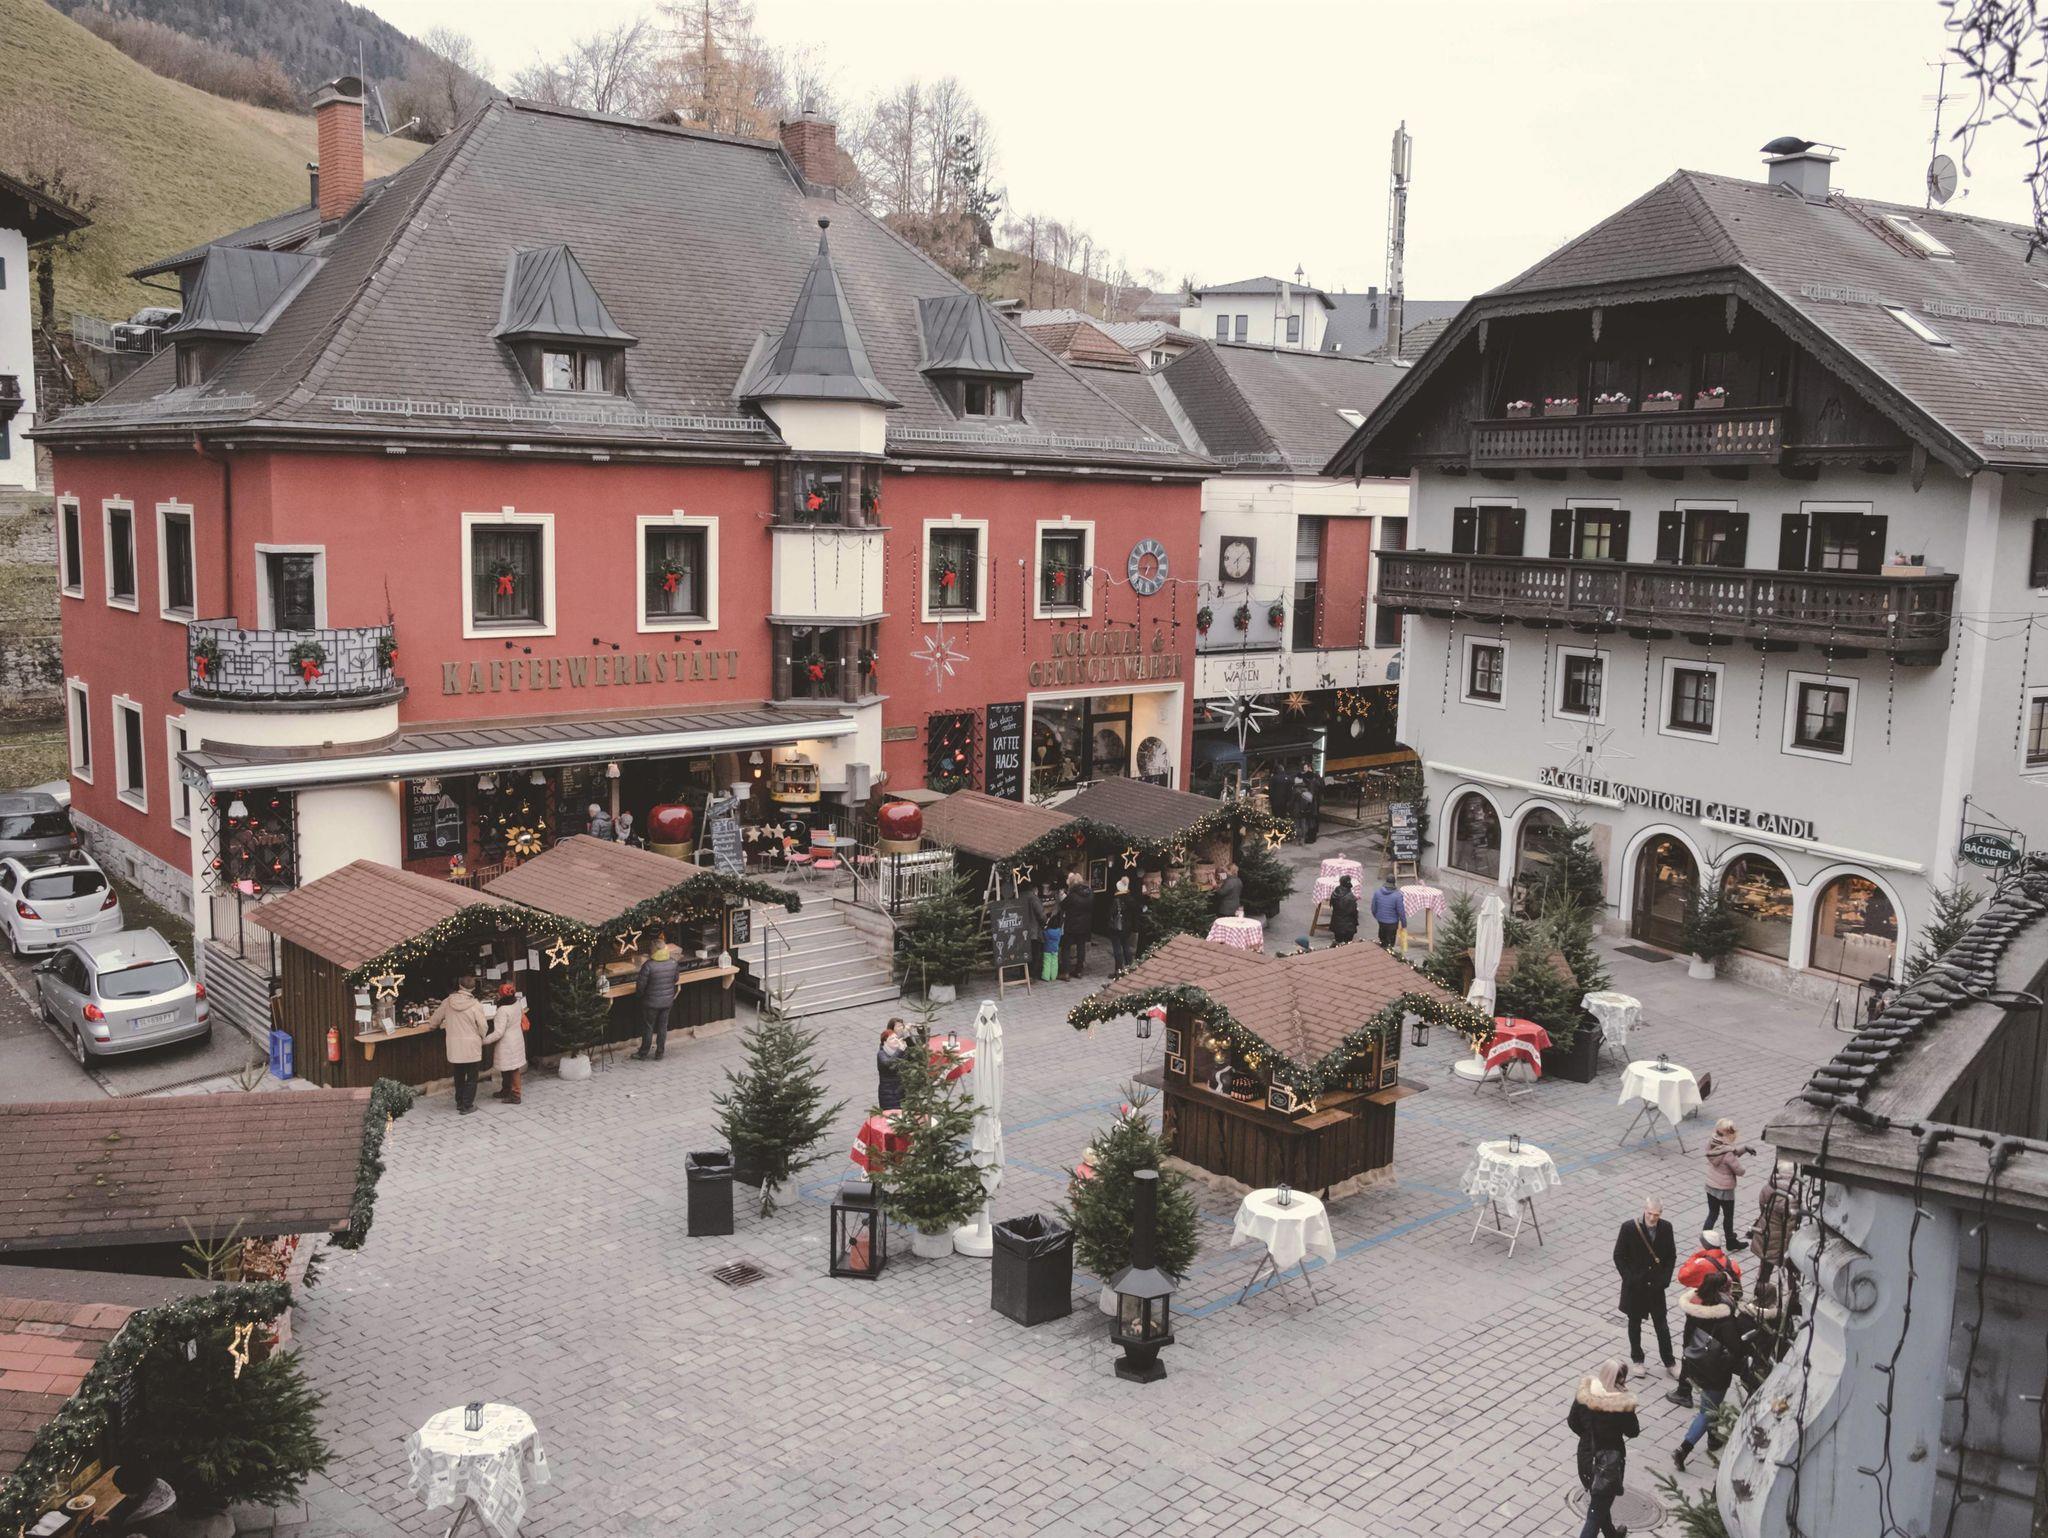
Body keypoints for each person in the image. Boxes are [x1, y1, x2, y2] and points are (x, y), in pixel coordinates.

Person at [1673, 1273, 1746, 1470]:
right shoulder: (1724, 1318)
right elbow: (1736, 1348)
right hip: (1716, 1370)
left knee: (1711, 1405)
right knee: (1708, 1410)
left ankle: (1713, 1439)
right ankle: (1683, 1449)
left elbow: (1687, 1337)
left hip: (1696, 1363)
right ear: (1724, 1290)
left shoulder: (1695, 1307)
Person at [1566, 1358, 1641, 1538]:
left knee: (1599, 1502)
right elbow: (1633, 1432)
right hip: (1607, 1464)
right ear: (1620, 1379)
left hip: (1586, 1458)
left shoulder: (1585, 1395)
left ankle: (1611, 1534)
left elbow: (1573, 1421)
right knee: (1596, 1512)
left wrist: (1588, 1437)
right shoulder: (1621, 1405)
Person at [1669, 1228, 1743, 1407]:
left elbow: (1683, 1276)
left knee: (1690, 1350)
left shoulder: (1702, 1263)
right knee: (1712, 1350)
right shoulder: (1731, 1263)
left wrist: (1696, 1256)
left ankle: (1684, 1391)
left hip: (1700, 1313)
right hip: (1721, 1315)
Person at [1612, 1198, 1678, 1376]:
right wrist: (1629, 1278)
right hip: (1636, 1287)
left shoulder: (1666, 1228)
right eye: (1650, 1214)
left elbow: (1671, 1256)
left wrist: (1665, 1279)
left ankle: (1670, 1362)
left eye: (1656, 1215)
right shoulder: (1629, 1228)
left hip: (1656, 1286)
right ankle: (1637, 1359)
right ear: (1644, 1210)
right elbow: (1618, 1255)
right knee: (1634, 1323)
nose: (1652, 1218)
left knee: (1662, 1325)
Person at [428, 975, 490, 1115]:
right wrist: (481, 1036)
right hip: (471, 1045)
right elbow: (483, 1026)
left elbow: (435, 1020)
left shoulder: (448, 1001)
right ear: (473, 988)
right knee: (472, 1077)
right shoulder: (476, 1005)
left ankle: (460, 1102)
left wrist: (432, 1026)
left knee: (459, 1075)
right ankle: (467, 1105)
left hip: (455, 1046)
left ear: (460, 986)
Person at [1747, 1163, 1803, 1293]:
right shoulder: (1791, 1198)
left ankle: (1759, 1295)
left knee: (1765, 1269)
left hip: (1767, 1233)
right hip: (1782, 1239)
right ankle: (1793, 1297)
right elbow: (1793, 1221)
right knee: (1793, 1269)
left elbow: (1762, 1206)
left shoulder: (1768, 1187)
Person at [1705, 1119, 1758, 1248]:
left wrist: (1744, 1148)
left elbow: (1730, 1150)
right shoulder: (1727, 1153)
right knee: (1728, 1216)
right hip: (1725, 1190)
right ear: (1729, 1134)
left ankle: (1705, 1240)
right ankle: (1730, 1241)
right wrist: (1745, 1169)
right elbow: (1739, 1171)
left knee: (1713, 1213)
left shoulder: (1712, 1143)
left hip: (1711, 1186)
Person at [633, 929, 682, 1061]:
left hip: (651, 1003)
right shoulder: (673, 962)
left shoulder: (648, 965)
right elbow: (676, 979)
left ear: (653, 950)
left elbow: (640, 986)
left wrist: (640, 996)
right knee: (662, 1027)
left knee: (648, 1027)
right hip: (667, 1001)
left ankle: (643, 1053)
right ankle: (660, 1053)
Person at [482, 982, 528, 1105]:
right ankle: (506, 1090)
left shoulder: (502, 1010)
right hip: (516, 1038)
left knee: (512, 1068)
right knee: (508, 1067)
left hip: (507, 1043)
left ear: (501, 995)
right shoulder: (516, 1003)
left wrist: (484, 1041)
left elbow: (499, 1032)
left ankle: (516, 1095)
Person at [1060, 871, 1096, 979]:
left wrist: (1063, 896)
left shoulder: (1072, 895)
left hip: (1071, 924)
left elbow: (1063, 906)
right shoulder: (1090, 893)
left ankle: (1066, 972)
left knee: (1066, 947)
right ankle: (1079, 971)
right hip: (1085, 924)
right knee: (1081, 947)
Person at [1103, 877, 1138, 971]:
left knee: (1117, 947)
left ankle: (1118, 969)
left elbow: (1111, 913)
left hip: (1117, 927)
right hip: (1127, 926)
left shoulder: (1117, 900)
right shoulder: (1131, 899)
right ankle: (1129, 965)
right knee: (1126, 945)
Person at [876, 1019, 907, 1111]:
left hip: (901, 1091)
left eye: (896, 1038)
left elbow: (914, 1055)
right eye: (892, 1039)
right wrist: (900, 1051)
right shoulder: (881, 1054)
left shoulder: (901, 1051)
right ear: (885, 1042)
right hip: (889, 1094)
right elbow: (888, 1064)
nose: (895, 1040)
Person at [1369, 874, 1406, 949]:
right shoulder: (1397, 895)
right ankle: (1389, 952)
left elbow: (1373, 908)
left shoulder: (1377, 893)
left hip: (1381, 921)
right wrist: (1404, 924)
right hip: (1392, 923)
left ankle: (1382, 951)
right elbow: (1401, 912)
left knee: (1382, 939)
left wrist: (1378, 917)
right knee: (1390, 943)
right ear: (1394, 883)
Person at [1328, 874, 1360, 944]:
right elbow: (1353, 912)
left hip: (1336, 922)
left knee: (1338, 942)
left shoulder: (1335, 892)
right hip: (1348, 926)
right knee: (1347, 945)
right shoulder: (1350, 897)